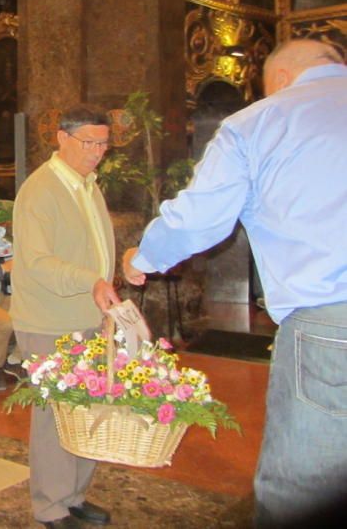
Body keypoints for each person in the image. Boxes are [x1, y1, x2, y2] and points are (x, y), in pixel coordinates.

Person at [122, 39, 347, 528]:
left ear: (281, 79)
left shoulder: (262, 121)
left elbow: (199, 220)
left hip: (332, 325)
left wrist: (141, 258)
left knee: (307, 487)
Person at [10, 105, 120, 529]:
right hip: (49, 320)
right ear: (61, 138)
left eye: (103, 144)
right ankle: (50, 507)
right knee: (56, 415)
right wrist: (90, 279)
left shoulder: (88, 185)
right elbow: (37, 262)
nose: (96, 152)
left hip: (88, 315)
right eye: (88, 143)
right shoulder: (41, 190)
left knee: (86, 411)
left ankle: (74, 496)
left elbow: (93, 247)